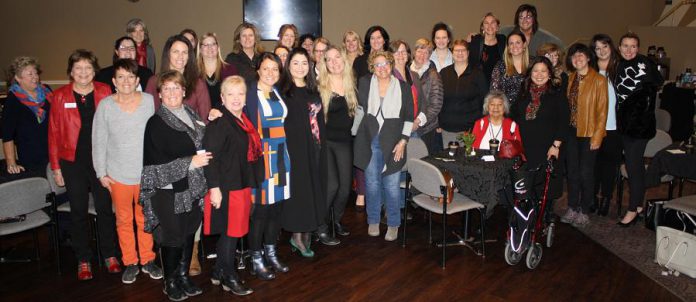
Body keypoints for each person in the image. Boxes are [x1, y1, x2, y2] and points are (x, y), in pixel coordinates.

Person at [48, 49, 120, 280]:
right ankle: (84, 259)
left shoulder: (104, 90)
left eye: (88, 68)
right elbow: (53, 133)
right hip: (72, 162)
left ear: (94, 70)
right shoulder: (60, 96)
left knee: (104, 208)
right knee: (78, 210)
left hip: (101, 161)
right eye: (78, 68)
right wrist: (56, 167)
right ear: (71, 72)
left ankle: (109, 254)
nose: (83, 72)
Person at [140, 70, 211, 301]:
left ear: (184, 91)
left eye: (176, 88)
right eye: (166, 89)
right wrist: (190, 163)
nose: (172, 93)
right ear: (159, 94)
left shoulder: (191, 113)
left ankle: (182, 275)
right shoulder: (156, 123)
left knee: (190, 231)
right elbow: (154, 168)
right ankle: (169, 281)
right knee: (173, 237)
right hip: (168, 192)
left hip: (192, 187)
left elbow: (202, 139)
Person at [91, 59, 162, 284]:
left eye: (130, 77)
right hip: (117, 175)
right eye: (120, 77)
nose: (126, 81)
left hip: (145, 174)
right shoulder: (105, 105)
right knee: (123, 220)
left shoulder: (150, 102)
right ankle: (130, 262)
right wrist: (101, 172)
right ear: (113, 81)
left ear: (137, 80)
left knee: (144, 219)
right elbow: (98, 140)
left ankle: (147, 260)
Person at [202, 76, 259, 296]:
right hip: (226, 187)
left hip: (240, 184)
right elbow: (210, 157)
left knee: (232, 232)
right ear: (222, 98)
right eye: (230, 94)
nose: (236, 98)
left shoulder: (243, 119)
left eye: (240, 93)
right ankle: (230, 276)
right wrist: (214, 188)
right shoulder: (220, 122)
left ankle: (218, 272)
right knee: (230, 234)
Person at [354, 50, 413, 241]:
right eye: (377, 65)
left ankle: (394, 223)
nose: (382, 68)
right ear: (372, 67)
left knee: (392, 185)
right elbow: (359, 110)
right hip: (369, 141)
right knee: (371, 183)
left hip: (394, 143)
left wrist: (403, 141)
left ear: (391, 64)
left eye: (385, 64)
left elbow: (409, 117)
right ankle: (373, 220)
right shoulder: (364, 82)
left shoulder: (403, 87)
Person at [243, 52, 290, 280]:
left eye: (275, 69)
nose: (270, 73)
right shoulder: (250, 95)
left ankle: (271, 253)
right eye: (266, 68)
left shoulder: (278, 92)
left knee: (276, 210)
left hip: (281, 157)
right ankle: (256, 257)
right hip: (261, 160)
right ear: (258, 70)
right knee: (260, 212)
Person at [280, 48, 329, 252]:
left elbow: (318, 120)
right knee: (298, 192)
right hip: (295, 149)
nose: (300, 67)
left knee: (312, 190)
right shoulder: (282, 91)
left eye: (304, 63)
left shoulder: (313, 90)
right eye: (295, 63)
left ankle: (305, 233)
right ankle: (297, 237)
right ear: (288, 66)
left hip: (315, 147)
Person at [613, 32, 664, 226]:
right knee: (634, 167)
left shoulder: (646, 64)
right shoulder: (617, 65)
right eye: (625, 46)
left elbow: (653, 89)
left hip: (640, 127)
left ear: (638, 48)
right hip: (624, 126)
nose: (629, 50)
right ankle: (640, 205)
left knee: (633, 167)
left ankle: (632, 209)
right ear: (619, 47)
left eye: (633, 46)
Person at [559, 43, 608, 228]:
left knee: (585, 173)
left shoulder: (599, 80)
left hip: (589, 133)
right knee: (572, 172)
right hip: (571, 132)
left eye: (581, 55)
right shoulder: (571, 78)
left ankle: (585, 209)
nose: (577, 59)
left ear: (588, 57)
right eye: (574, 56)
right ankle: (572, 206)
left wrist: (597, 137)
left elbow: (602, 112)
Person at [510, 56, 570, 200]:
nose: (539, 75)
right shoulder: (523, 92)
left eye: (543, 71)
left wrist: (556, 146)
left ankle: (547, 217)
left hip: (548, 147)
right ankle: (529, 217)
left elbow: (564, 121)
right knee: (528, 185)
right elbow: (513, 114)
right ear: (530, 73)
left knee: (546, 186)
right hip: (526, 147)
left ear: (549, 74)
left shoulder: (557, 94)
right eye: (536, 71)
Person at [317, 46, 358, 242]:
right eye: (329, 59)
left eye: (337, 58)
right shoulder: (319, 86)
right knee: (331, 186)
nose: (334, 62)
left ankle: (336, 220)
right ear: (324, 64)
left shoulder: (351, 83)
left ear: (344, 60)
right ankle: (321, 225)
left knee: (345, 188)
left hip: (345, 141)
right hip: (326, 142)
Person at [2, 56, 51, 174]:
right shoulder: (13, 99)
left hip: (52, 149)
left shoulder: (47, 91)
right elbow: (7, 134)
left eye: (36, 73)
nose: (35, 77)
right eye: (30, 74)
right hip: (31, 153)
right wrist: (11, 163)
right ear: (18, 78)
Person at [145, 34, 211, 121]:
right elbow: (147, 116)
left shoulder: (198, 84)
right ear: (168, 54)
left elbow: (206, 118)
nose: (180, 56)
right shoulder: (154, 82)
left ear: (189, 56)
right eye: (176, 52)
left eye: (184, 52)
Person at [591, 34, 621, 216]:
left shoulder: (619, 69)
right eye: (597, 48)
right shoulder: (591, 69)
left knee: (609, 167)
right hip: (594, 127)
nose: (601, 51)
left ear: (611, 47)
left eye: (605, 47)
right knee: (594, 166)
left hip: (614, 126)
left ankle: (606, 198)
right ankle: (593, 197)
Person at [439, 39, 489, 143]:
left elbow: (485, 101)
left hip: (469, 130)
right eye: (457, 50)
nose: (460, 53)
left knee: (466, 158)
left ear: (468, 53)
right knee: (448, 158)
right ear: (452, 53)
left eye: (463, 50)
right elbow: (438, 100)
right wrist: (438, 123)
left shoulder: (477, 74)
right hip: (446, 129)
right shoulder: (444, 73)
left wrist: (479, 125)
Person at [410, 38, 444, 154]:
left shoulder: (434, 75)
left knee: (422, 164)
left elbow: (436, 105)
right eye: (420, 51)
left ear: (430, 55)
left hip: (426, 129)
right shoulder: (406, 72)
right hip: (407, 127)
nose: (422, 55)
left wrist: (418, 122)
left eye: (426, 52)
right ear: (414, 52)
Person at [499, 4, 564, 55]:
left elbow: (561, 46)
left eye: (528, 17)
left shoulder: (543, 37)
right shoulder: (507, 31)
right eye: (521, 17)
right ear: (517, 20)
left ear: (534, 19)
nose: (524, 20)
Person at [197, 32, 239, 109]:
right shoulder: (193, 72)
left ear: (218, 47)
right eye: (206, 45)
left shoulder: (230, 70)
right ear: (200, 49)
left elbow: (235, 98)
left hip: (224, 116)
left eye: (213, 44)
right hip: (199, 118)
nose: (210, 47)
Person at [490, 30, 528, 106]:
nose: (514, 46)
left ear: (524, 45)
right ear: (508, 47)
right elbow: (494, 92)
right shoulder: (500, 65)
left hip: (529, 110)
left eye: (518, 42)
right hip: (507, 110)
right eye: (511, 43)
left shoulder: (533, 63)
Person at [468, 13, 506, 82]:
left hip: (498, 84)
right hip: (479, 84)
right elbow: (470, 64)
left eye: (493, 22)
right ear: (482, 27)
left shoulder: (503, 40)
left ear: (497, 26)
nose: (490, 25)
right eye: (486, 23)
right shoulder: (476, 41)